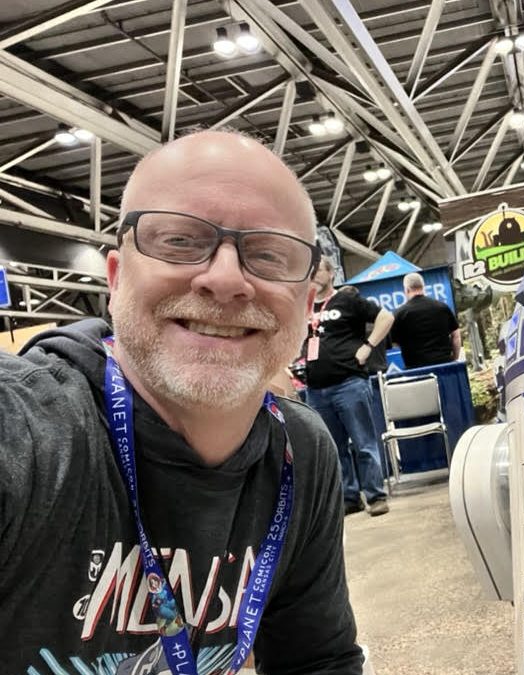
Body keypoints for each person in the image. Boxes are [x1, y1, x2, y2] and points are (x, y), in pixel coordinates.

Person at [0, 130, 363, 672]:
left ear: (307, 302)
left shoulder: (299, 454)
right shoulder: (28, 433)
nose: (225, 279)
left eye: (267, 254)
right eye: (179, 241)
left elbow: (318, 661)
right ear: (117, 278)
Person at [304, 270, 394, 517]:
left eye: (318, 269)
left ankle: (375, 495)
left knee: (363, 443)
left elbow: (385, 317)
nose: (313, 274)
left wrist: (367, 347)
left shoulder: (347, 299)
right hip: (317, 389)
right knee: (334, 448)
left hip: (349, 383)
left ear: (330, 273)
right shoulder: (305, 305)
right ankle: (349, 497)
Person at [390, 272, 461, 369]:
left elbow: (393, 342)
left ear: (406, 290)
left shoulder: (399, 314)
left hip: (416, 369)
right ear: (423, 286)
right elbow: (456, 336)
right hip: (445, 364)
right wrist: (454, 358)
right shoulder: (442, 307)